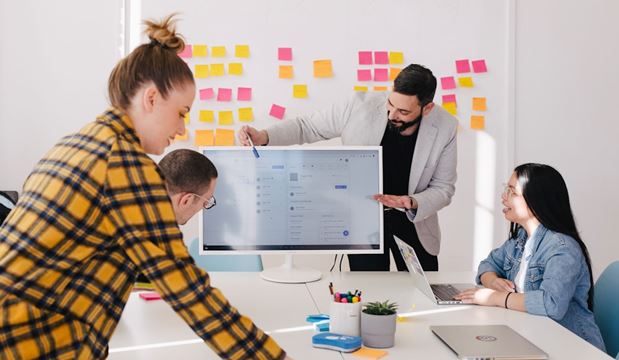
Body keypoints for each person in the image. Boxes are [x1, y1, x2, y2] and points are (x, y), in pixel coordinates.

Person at [0, 14, 287, 359]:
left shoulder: (73, 144)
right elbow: (190, 293)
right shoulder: (124, 165)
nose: (182, 129)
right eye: (182, 113)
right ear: (151, 99)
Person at [238, 64, 457, 271]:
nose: (392, 115)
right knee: (369, 297)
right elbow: (307, 126)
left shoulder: (445, 126)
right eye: (390, 105)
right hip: (362, 220)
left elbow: (443, 187)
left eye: (403, 112)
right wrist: (264, 136)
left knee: (423, 296)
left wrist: (412, 202)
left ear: (426, 108)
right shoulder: (359, 105)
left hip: (413, 221)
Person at [455, 163, 605, 351]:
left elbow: (551, 304)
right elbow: (488, 264)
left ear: (537, 201)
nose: (503, 198)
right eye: (506, 190)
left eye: (512, 192)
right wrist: (492, 281)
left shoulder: (563, 248)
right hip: (534, 337)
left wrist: (495, 297)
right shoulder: (521, 238)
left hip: (572, 347)